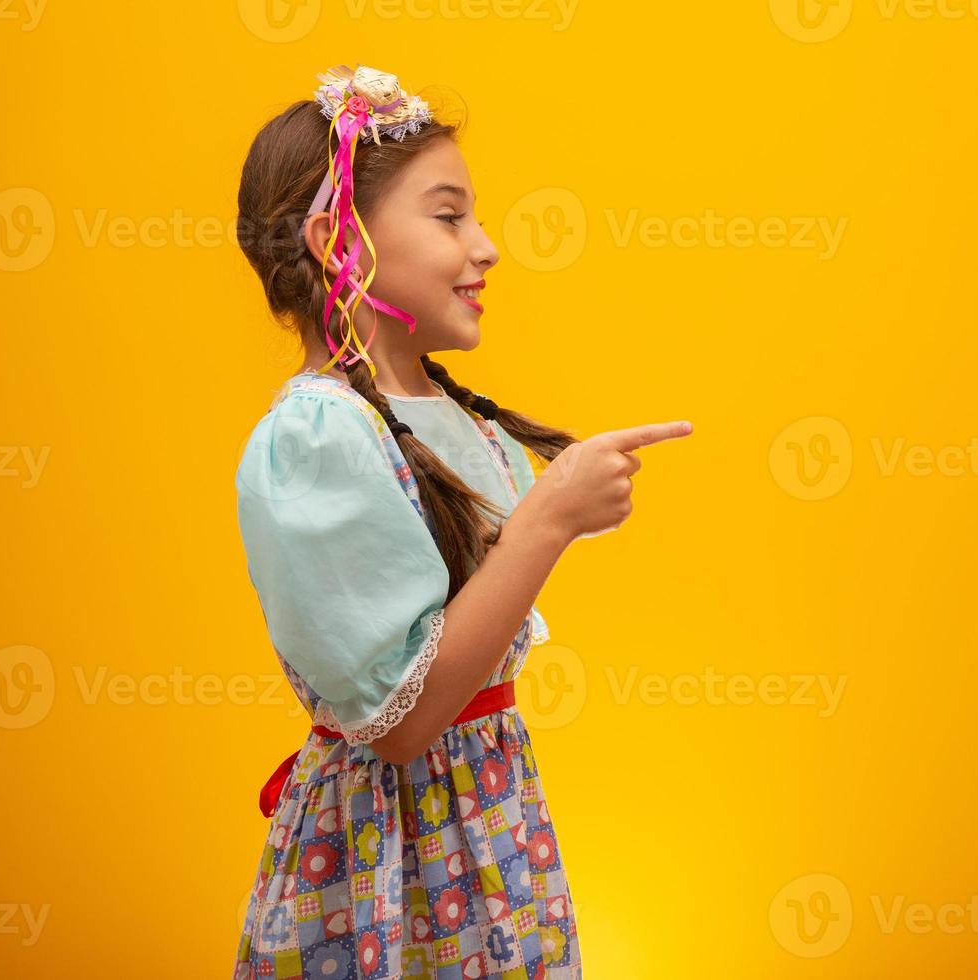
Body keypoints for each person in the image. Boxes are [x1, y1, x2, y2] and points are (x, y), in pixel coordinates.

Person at [230, 64, 693, 979]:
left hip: (484, 821)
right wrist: (547, 522)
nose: (485, 247)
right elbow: (401, 726)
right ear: (339, 239)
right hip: (389, 851)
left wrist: (548, 516)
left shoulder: (462, 421)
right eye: (449, 217)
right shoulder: (318, 436)